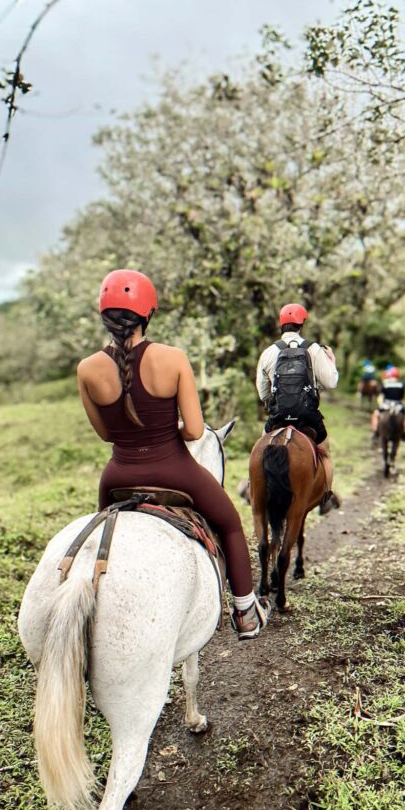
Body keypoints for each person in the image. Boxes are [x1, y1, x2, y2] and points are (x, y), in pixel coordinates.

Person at [77, 269, 268, 640]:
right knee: (230, 523)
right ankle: (245, 611)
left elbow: (105, 434)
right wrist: (165, 434)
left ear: (104, 316)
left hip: (117, 475)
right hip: (174, 469)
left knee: (100, 536)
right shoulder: (173, 358)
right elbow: (195, 431)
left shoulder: (86, 369)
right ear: (148, 314)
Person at [255, 303, 340, 514]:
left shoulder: (268, 352)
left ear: (281, 324)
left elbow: (263, 394)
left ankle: (252, 487)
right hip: (307, 417)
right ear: (302, 323)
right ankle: (326, 496)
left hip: (278, 417)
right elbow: (331, 383)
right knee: (325, 453)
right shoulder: (313, 349)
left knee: (259, 451)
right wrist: (332, 361)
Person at [371, 366, 405, 441]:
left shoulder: (385, 384)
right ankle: (403, 432)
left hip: (386, 404)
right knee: (404, 416)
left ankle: (376, 431)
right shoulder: (401, 384)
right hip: (398, 405)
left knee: (375, 414)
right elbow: (402, 396)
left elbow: (382, 395)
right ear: (398, 376)